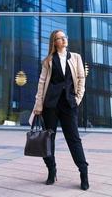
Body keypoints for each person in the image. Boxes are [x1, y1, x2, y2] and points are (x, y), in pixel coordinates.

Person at [30, 29, 89, 190]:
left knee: (74, 140)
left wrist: (77, 99)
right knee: (48, 140)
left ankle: (83, 172)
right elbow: (42, 83)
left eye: (64, 37)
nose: (64, 40)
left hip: (69, 104)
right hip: (50, 105)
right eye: (59, 38)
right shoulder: (48, 60)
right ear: (54, 42)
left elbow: (81, 78)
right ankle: (51, 170)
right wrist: (38, 105)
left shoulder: (75, 57)